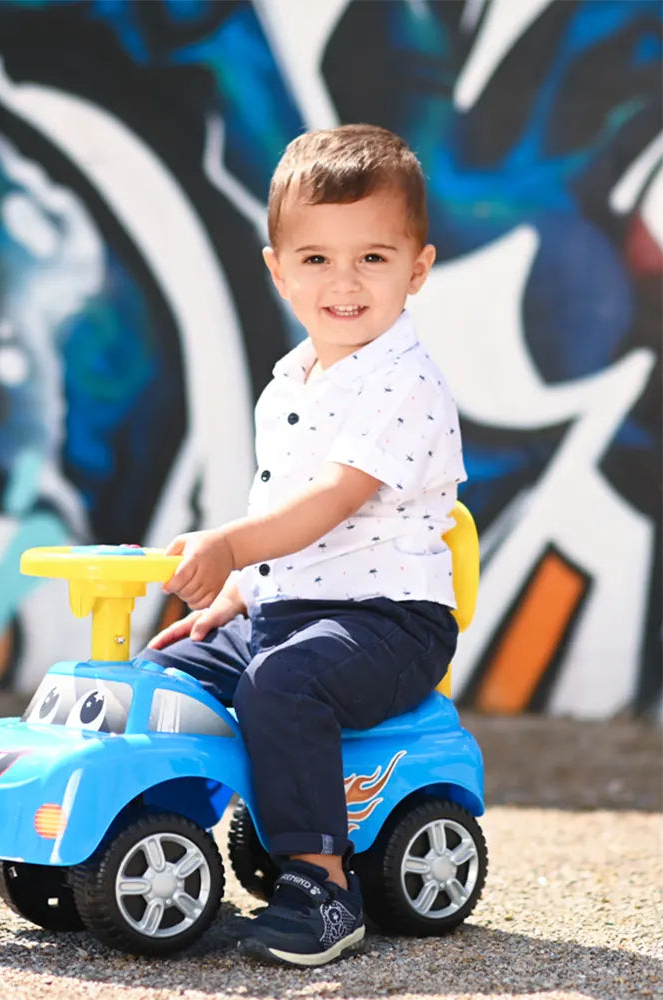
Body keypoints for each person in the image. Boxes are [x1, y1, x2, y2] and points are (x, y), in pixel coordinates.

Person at [140, 124, 465, 967]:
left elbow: (332, 503)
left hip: (391, 621)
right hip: (296, 606)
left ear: (417, 269)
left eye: (374, 258)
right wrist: (238, 595)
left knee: (283, 681)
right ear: (278, 270)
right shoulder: (292, 381)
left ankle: (323, 887)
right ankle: (155, 829)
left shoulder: (404, 381)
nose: (345, 283)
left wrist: (230, 548)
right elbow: (298, 528)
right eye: (316, 259)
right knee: (172, 669)